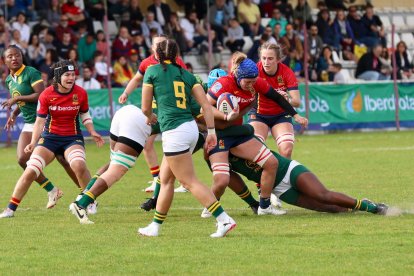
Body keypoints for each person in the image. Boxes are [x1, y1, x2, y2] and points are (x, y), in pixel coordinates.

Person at [138, 39, 236, 238]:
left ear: (156, 55)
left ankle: (223, 219)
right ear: (177, 56)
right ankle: (155, 226)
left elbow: (145, 108)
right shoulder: (188, 75)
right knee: (165, 180)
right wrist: (211, 132)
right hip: (191, 129)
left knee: (190, 181)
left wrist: (150, 117)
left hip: (175, 132)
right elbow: (206, 107)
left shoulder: (152, 71)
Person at [204, 52, 308, 217]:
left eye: (254, 81)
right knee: (222, 180)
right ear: (239, 77)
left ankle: (264, 206)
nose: (252, 85)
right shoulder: (223, 84)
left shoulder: (255, 81)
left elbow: (276, 97)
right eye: (248, 82)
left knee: (271, 163)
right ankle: (210, 207)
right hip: (219, 135)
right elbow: (204, 107)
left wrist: (295, 115)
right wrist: (225, 116)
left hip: (237, 134)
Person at [0, 59, 104, 218]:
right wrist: (33, 142)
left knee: (79, 165)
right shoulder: (46, 94)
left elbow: (84, 114)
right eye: (67, 75)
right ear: (58, 76)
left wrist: (92, 131)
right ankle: (10, 208)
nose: (71, 78)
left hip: (72, 137)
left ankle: (89, 202)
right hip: (49, 138)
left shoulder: (81, 92)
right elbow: (40, 121)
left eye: (73, 75)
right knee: (31, 170)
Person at [1, 45, 79, 211]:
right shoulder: (9, 80)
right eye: (10, 56)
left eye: (17, 55)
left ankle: (86, 193)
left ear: (22, 57)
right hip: (29, 121)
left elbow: (40, 94)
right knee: (23, 159)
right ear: (4, 60)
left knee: (63, 159)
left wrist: (16, 100)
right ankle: (52, 190)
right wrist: (14, 114)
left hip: (44, 120)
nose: (14, 58)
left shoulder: (31, 72)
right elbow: (21, 100)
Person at [118, 34, 187, 193]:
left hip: (171, 110)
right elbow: (136, 79)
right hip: (154, 110)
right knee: (147, 143)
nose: (159, 47)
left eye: (162, 44)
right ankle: (157, 178)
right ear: (152, 47)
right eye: (157, 44)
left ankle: (183, 180)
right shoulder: (147, 63)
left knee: (175, 144)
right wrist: (126, 93)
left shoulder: (177, 62)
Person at [227, 148, 389, 215]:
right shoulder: (218, 153)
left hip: (287, 169)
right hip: (278, 188)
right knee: (327, 208)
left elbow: (247, 129)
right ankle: (352, 208)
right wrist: (253, 203)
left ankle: (371, 207)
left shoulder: (243, 134)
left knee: (322, 195)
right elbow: (229, 178)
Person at [250, 42, 301, 159]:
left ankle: (284, 177)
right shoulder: (254, 71)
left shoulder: (287, 72)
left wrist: (287, 98)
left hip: (281, 115)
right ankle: (268, 174)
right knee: (256, 149)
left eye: (270, 59)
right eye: (264, 58)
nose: (266, 62)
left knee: (286, 149)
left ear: (278, 59)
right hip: (258, 114)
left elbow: (297, 102)